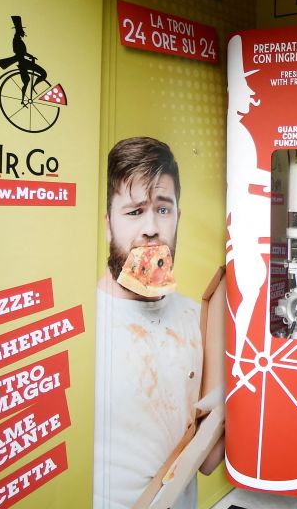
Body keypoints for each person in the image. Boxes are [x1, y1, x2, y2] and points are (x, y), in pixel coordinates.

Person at [94, 137, 202, 509]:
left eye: (163, 209)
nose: (152, 228)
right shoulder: (80, 325)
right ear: (108, 224)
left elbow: (210, 458)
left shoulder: (197, 317)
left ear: (178, 218)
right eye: (135, 212)